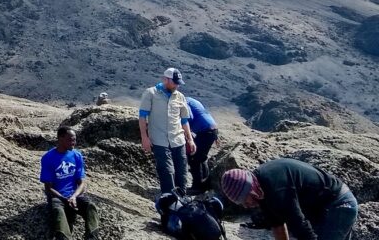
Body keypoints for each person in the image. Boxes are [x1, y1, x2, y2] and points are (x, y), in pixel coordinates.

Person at [220, 158, 358, 240]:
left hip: (340, 204)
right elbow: (278, 225)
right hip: (323, 207)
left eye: (245, 200)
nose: (245, 206)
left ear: (251, 192)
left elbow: (300, 226)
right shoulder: (260, 187)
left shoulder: (276, 189)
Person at [138, 68, 196, 196]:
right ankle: (169, 201)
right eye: (174, 82)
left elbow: (184, 120)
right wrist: (144, 137)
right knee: (167, 171)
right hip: (159, 140)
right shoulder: (151, 93)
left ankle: (182, 199)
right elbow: (142, 116)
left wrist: (190, 139)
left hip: (178, 139)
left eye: (178, 83)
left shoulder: (180, 96)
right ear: (165, 79)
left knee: (182, 171)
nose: (177, 85)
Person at [40, 126, 100, 240]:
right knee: (58, 211)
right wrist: (64, 199)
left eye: (74, 139)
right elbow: (48, 188)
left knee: (90, 206)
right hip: (58, 197)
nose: (74, 143)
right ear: (60, 139)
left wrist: (74, 197)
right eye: (70, 140)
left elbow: (82, 182)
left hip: (74, 195)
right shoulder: (48, 158)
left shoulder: (76, 155)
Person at [186, 97, 218, 193]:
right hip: (212, 129)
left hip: (205, 131)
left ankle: (197, 187)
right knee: (201, 157)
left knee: (194, 157)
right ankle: (205, 184)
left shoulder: (182, 102)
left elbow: (189, 117)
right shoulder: (191, 100)